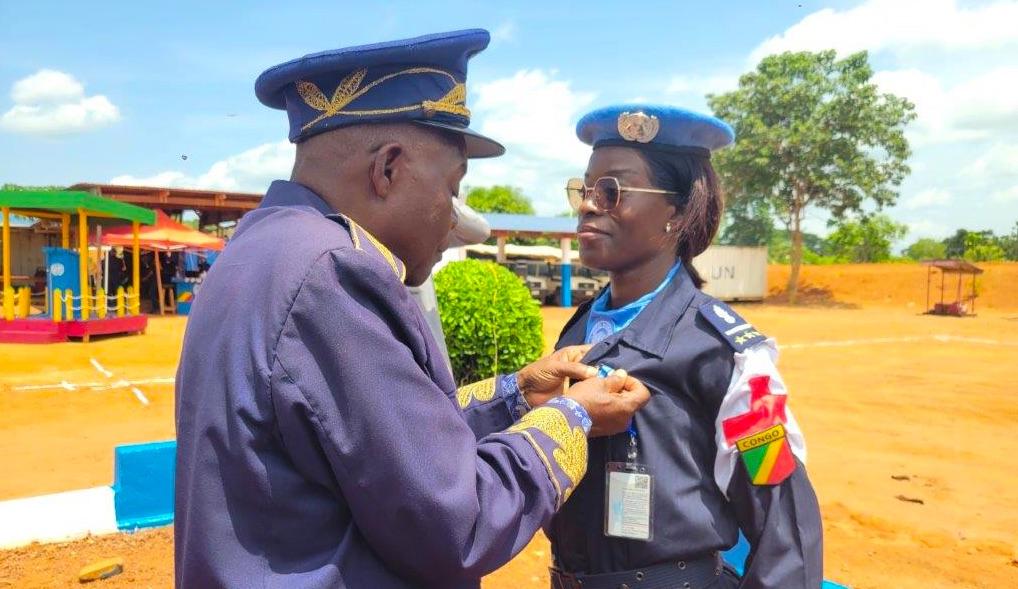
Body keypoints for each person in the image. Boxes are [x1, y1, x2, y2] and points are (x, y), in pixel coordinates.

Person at [174, 30, 651, 589]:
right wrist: (573, 417)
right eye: (452, 188)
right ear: (389, 169)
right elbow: (459, 521)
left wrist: (516, 395)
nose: (453, 215)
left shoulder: (263, 247)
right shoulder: (333, 275)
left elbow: (383, 445)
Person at [545, 105, 822, 588]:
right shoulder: (580, 327)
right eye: (585, 190)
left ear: (675, 212)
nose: (588, 205)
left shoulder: (724, 351)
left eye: (612, 190)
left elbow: (782, 515)